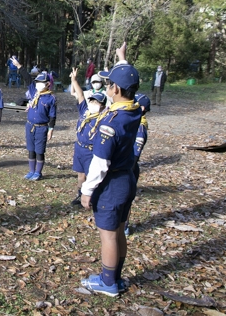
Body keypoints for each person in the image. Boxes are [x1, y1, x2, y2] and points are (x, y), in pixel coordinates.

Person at [79, 60, 142, 297]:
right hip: (127, 177)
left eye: (108, 84)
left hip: (112, 183)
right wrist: (122, 59)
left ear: (115, 89)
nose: (106, 87)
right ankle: (115, 276)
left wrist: (87, 189)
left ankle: (108, 283)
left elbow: (100, 162)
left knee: (108, 235)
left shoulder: (111, 122)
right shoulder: (133, 110)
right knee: (118, 230)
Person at [11, 57, 57, 180]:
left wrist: (51, 129)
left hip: (42, 128)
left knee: (39, 151)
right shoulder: (34, 92)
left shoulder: (51, 98)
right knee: (31, 150)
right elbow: (27, 78)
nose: (38, 84)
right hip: (30, 125)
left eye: (41, 82)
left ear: (47, 84)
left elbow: (53, 115)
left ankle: (38, 172)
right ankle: (31, 171)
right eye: (37, 82)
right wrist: (19, 66)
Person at [69, 67, 107, 206]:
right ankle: (80, 196)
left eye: (96, 102)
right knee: (80, 175)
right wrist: (74, 80)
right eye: (91, 101)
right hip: (80, 148)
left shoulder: (104, 118)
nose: (93, 104)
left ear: (103, 106)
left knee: (92, 176)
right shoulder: (85, 112)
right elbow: (80, 95)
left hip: (92, 150)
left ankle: (93, 198)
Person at [124, 93, 150, 236]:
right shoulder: (132, 121)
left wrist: (126, 171)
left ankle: (125, 226)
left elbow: (135, 154)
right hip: (124, 166)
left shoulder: (140, 127)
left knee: (126, 200)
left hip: (129, 168)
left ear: (142, 107)